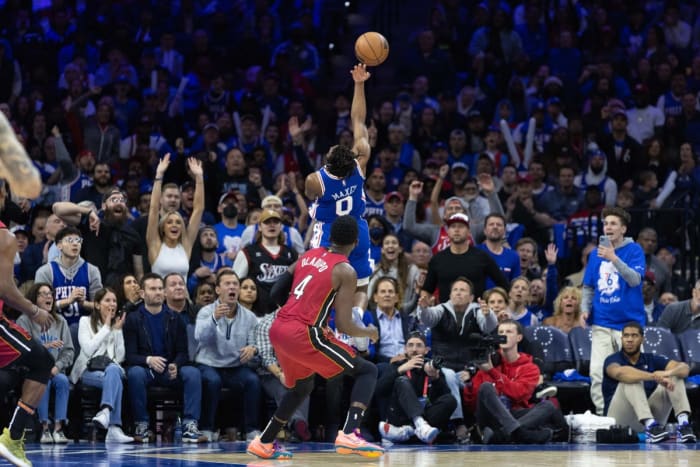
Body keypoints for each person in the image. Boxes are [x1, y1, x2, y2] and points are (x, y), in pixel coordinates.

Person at [246, 215, 384, 459]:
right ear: (356, 242)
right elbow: (344, 324)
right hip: (303, 332)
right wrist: (369, 332)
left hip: (279, 328)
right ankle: (350, 433)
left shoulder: (308, 255)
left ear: (330, 237)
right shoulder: (345, 270)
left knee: (303, 386)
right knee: (367, 371)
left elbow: (277, 291)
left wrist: (294, 313)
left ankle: (265, 441)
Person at [306, 64, 372, 313]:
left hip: (328, 235)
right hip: (358, 231)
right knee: (361, 286)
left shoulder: (316, 180)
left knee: (320, 286)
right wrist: (359, 84)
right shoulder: (360, 163)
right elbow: (358, 119)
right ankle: (356, 315)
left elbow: (311, 197)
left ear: (328, 162)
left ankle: (322, 323)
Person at [123, 273, 206, 443]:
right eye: (153, 289)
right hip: (146, 370)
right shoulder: (133, 319)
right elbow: (130, 356)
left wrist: (176, 364)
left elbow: (183, 352)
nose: (158, 292)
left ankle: (190, 425)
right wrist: (149, 360)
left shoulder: (175, 318)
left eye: (160, 288)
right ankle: (142, 425)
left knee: (193, 373)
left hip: (169, 371)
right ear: (142, 293)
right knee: (134, 373)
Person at [0, 219, 55, 467]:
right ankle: (12, 438)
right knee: (43, 361)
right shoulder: (4, 236)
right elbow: (4, 288)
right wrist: (33, 310)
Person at [417, 276, 498, 442]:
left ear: (471, 297)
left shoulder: (477, 311)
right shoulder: (441, 309)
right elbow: (428, 318)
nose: (458, 293)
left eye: (463, 290)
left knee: (480, 383)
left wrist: (488, 314)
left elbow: (488, 326)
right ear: (450, 294)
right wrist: (424, 309)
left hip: (467, 370)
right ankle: (458, 422)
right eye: (455, 290)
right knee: (449, 375)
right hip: (442, 369)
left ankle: (483, 426)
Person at [582, 207, 645, 415]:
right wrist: (584, 309)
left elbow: (635, 280)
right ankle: (604, 415)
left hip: (628, 324)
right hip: (601, 322)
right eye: (606, 223)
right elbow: (589, 287)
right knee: (598, 372)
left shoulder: (634, 250)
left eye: (613, 224)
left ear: (623, 229)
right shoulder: (595, 254)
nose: (608, 227)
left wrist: (613, 258)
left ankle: (637, 416)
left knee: (634, 373)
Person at [462, 320, 568, 444]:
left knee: (548, 406)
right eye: (501, 332)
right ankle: (520, 434)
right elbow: (473, 404)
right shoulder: (488, 362)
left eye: (509, 332)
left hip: (514, 414)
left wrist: (492, 372)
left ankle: (503, 436)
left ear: (519, 337)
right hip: (490, 417)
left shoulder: (530, 367)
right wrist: (471, 382)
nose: (504, 335)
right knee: (486, 387)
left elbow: (518, 394)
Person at [194, 270, 262, 442]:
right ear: (218, 290)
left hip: (235, 366)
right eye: (227, 284)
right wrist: (214, 318)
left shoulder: (249, 317)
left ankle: (251, 430)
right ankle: (207, 428)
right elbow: (200, 337)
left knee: (252, 381)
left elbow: (256, 343)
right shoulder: (206, 311)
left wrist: (253, 348)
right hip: (208, 363)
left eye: (235, 284)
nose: (232, 287)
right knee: (212, 381)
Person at [603, 321, 696, 443]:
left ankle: (683, 425)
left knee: (675, 376)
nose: (629, 340)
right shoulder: (612, 359)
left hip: (652, 420)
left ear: (642, 339)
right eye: (626, 336)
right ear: (622, 339)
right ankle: (650, 425)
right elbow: (620, 373)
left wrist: (667, 373)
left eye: (634, 336)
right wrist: (654, 376)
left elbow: (684, 368)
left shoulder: (651, 358)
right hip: (619, 420)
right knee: (631, 379)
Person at [69, 288, 133, 443]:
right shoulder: (85, 322)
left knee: (113, 370)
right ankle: (114, 428)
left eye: (114, 301)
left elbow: (120, 357)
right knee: (115, 378)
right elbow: (88, 349)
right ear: (97, 305)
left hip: (110, 371)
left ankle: (105, 411)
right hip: (88, 371)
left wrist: (117, 331)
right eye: (107, 300)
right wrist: (106, 327)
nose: (112, 304)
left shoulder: (116, 326)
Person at [16, 283, 74, 444]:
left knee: (63, 381)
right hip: (33, 371)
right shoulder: (24, 321)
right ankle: (45, 428)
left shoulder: (60, 321)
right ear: (34, 299)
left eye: (50, 293)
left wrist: (57, 367)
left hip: (55, 370)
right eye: (43, 294)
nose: (49, 296)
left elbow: (69, 351)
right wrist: (44, 347)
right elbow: (23, 350)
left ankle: (58, 428)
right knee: (42, 382)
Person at [375, 331, 457, 444]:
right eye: (410, 345)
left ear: (426, 350)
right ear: (405, 349)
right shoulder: (396, 365)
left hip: (425, 415)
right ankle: (418, 425)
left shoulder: (431, 366)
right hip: (400, 415)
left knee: (451, 400)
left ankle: (407, 432)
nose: (414, 349)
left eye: (419, 345)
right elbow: (378, 390)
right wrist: (400, 370)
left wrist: (436, 378)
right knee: (402, 381)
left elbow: (445, 396)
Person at [421, 213, 508, 303]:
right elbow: (427, 290)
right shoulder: (438, 259)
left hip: (476, 310)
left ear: (469, 232)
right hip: (445, 311)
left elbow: (503, 284)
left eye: (461, 226)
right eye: (453, 226)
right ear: (448, 232)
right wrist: (424, 305)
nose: (456, 230)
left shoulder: (482, 257)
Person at [146, 155, 204, 279]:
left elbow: (198, 209)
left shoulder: (186, 245)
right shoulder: (155, 244)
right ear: (162, 227)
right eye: (169, 222)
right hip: (160, 292)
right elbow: (153, 209)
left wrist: (199, 177)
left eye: (178, 222)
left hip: (183, 292)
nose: (174, 225)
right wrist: (159, 175)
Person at [34, 226, 103, 326]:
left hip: (84, 328)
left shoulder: (92, 270)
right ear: (59, 245)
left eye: (78, 240)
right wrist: (68, 301)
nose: (75, 243)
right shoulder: (45, 271)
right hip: (54, 327)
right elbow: (40, 306)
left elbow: (100, 306)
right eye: (70, 240)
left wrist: (84, 303)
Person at [233, 209, 297, 315]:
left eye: (276, 222)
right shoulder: (248, 252)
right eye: (267, 222)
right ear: (259, 227)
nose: (272, 225)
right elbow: (235, 282)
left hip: (285, 314)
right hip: (256, 314)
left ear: (281, 226)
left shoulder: (291, 253)